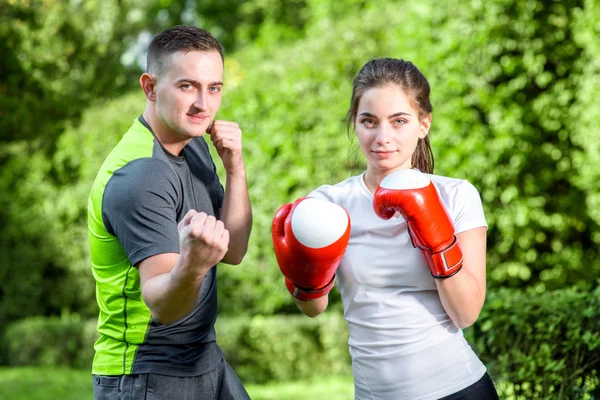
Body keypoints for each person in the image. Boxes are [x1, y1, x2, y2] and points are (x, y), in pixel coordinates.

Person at [272, 58, 499, 399]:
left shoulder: (455, 195)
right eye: (369, 121)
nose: (383, 137)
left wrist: (436, 241)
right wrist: (304, 276)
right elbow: (312, 309)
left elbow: (466, 313)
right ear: (355, 124)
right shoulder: (330, 205)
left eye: (399, 121)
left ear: (424, 124)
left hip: (458, 389)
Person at [87, 25, 252, 400]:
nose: (203, 105)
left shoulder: (194, 145)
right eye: (187, 86)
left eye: (214, 88)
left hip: (203, 354)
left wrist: (236, 168)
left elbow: (236, 250)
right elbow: (164, 307)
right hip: (147, 371)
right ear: (149, 87)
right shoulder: (141, 174)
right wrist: (193, 265)